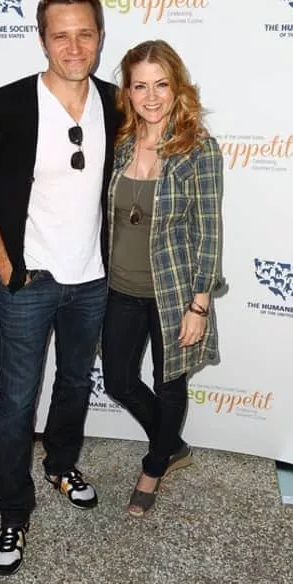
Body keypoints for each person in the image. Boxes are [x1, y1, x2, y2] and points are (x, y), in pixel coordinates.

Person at [0, 0, 121, 575]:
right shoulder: (5, 105)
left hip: (94, 281)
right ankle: (13, 511)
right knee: (16, 401)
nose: (74, 47)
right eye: (61, 36)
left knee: (75, 383)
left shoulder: (117, 104)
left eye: (85, 34)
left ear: (100, 38)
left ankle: (60, 464)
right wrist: (8, 268)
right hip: (29, 282)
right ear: (42, 39)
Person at [102, 40, 223, 518]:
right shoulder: (119, 143)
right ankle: (171, 442)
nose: (151, 97)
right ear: (127, 92)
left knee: (168, 383)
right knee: (117, 379)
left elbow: (209, 231)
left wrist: (200, 305)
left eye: (161, 85)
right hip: (119, 288)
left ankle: (154, 466)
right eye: (140, 86)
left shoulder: (198, 150)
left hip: (174, 291)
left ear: (177, 87)